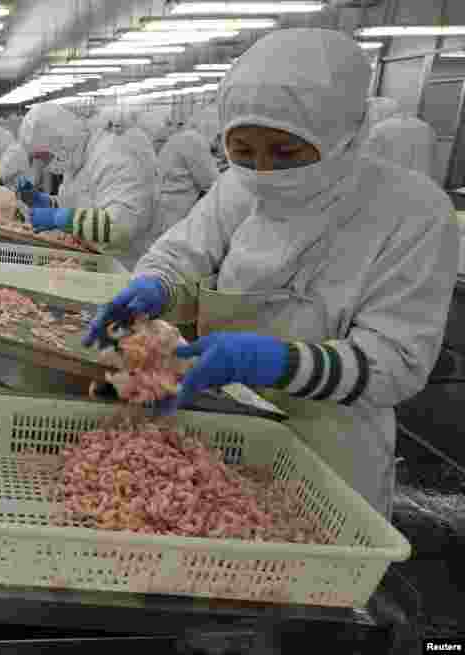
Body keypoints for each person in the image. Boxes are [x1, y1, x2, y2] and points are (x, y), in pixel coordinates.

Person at [84, 28, 459, 517]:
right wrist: (152, 284)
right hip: (221, 432)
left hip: (330, 459)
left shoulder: (412, 214)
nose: (263, 170)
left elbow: (396, 362)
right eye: (243, 150)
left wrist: (279, 362)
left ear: (344, 134)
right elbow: (184, 249)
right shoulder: (240, 188)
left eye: (285, 153)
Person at [15, 103, 157, 271]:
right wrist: (47, 203)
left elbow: (121, 227)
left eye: (44, 158)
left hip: (128, 267)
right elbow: (79, 207)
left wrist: (59, 218)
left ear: (60, 143)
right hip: (97, 259)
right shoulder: (78, 155)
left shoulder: (114, 152)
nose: (45, 165)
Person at [155, 110, 220, 235]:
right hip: (177, 207)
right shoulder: (195, 141)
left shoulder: (182, 137)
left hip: (166, 201)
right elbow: (210, 181)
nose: (217, 142)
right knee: (174, 243)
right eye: (218, 137)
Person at [366, 107, 440, 182]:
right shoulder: (428, 129)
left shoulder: (379, 128)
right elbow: (434, 163)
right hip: (424, 183)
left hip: (391, 183)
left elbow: (369, 160)